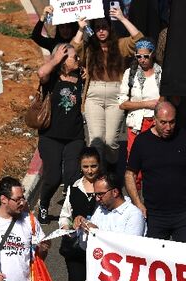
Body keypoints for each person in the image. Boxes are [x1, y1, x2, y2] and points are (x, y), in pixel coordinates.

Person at [73, 172, 147, 281]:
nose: (97, 199)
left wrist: (99, 234)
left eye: (100, 194)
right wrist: (83, 229)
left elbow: (129, 250)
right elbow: (86, 247)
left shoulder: (133, 215)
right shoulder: (100, 210)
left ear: (114, 192)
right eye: (95, 195)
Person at [71, 10, 143, 169]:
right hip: (93, 96)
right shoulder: (89, 47)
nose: (101, 31)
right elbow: (72, 51)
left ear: (110, 29)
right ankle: (97, 174)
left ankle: (110, 169)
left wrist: (122, 19)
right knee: (96, 140)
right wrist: (80, 29)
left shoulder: (120, 45)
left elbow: (139, 41)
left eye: (104, 27)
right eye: (97, 28)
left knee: (111, 141)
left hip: (115, 96)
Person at [124, 101, 186, 243]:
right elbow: (130, 174)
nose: (168, 127)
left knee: (184, 260)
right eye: (163, 122)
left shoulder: (185, 137)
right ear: (154, 119)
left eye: (172, 122)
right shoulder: (142, 141)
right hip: (155, 214)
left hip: (185, 212)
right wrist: (138, 203)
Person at [35, 43, 86, 223]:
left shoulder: (81, 76)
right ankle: (44, 202)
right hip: (50, 136)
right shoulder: (52, 78)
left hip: (75, 136)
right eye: (75, 57)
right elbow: (41, 73)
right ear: (63, 60)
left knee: (72, 176)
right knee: (54, 177)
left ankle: (71, 212)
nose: (79, 60)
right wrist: (55, 60)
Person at [58, 148, 102, 281]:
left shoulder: (106, 187)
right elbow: (64, 215)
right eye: (86, 167)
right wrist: (68, 225)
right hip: (76, 249)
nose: (90, 170)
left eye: (93, 166)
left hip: (100, 251)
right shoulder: (74, 187)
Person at [118, 38, 161, 191]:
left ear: (152, 55)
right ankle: (136, 200)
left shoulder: (161, 73)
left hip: (155, 124)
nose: (142, 60)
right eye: (138, 56)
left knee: (154, 161)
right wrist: (147, 104)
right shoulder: (130, 73)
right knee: (134, 163)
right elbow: (122, 103)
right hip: (135, 124)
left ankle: (153, 195)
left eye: (146, 56)